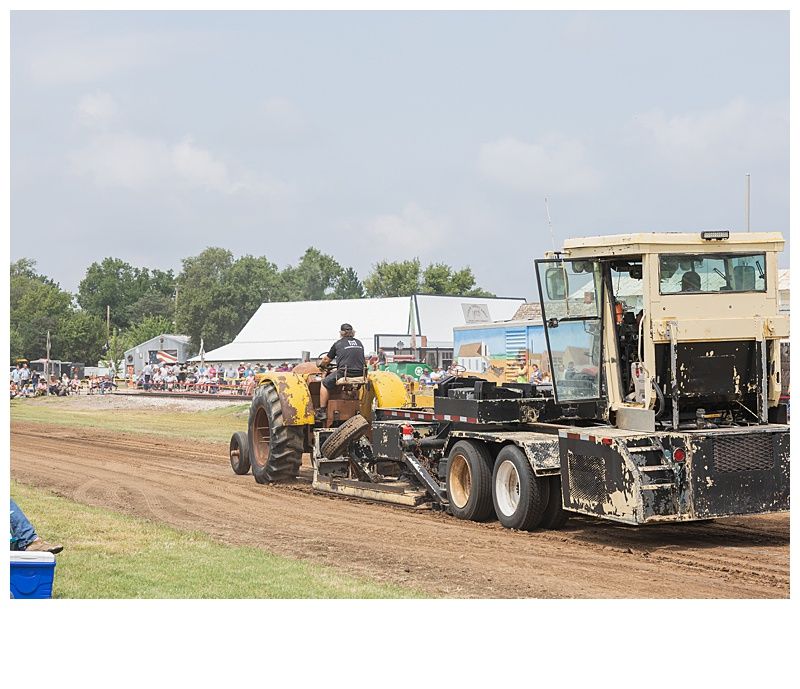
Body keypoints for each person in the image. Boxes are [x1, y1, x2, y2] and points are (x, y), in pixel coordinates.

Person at [316, 323, 365, 421]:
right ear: (353, 332)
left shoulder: (338, 344)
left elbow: (326, 360)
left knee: (325, 383)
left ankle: (322, 411)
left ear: (341, 333)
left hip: (345, 372)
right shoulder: (359, 343)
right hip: (361, 373)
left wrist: (321, 365)